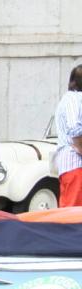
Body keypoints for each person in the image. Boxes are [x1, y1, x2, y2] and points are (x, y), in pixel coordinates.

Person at [53, 64, 82, 207]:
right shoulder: (75, 99)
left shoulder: (68, 98)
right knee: (74, 217)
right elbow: (75, 128)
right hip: (75, 164)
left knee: (67, 215)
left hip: (70, 165)